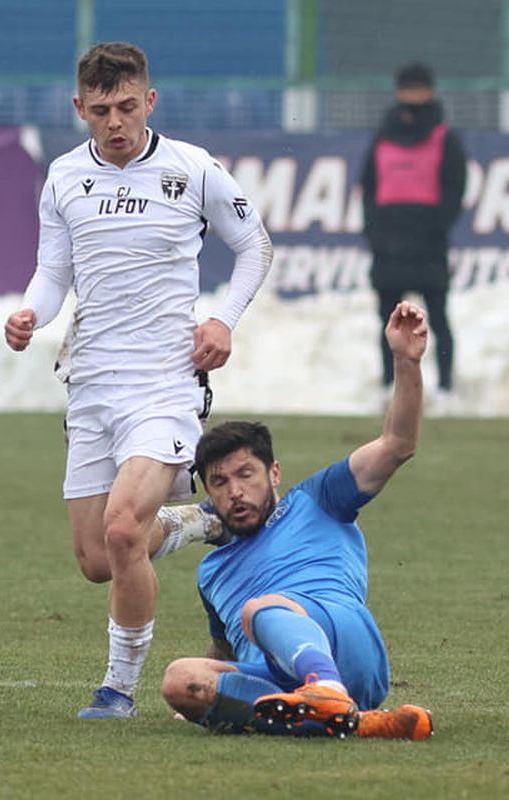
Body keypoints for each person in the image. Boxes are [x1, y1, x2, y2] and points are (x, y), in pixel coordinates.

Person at [3, 42, 272, 719]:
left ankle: (117, 688)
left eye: (127, 106)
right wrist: (32, 311)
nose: (116, 121)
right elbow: (54, 271)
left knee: (124, 531)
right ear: (80, 109)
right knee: (98, 558)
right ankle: (193, 520)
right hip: (91, 381)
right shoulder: (65, 177)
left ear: (150, 101)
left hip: (164, 383)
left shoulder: (192, 168)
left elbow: (255, 246)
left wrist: (223, 320)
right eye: (101, 111)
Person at [160, 301, 434, 740]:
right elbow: (225, 649)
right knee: (178, 678)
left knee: (261, 608)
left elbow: (397, 444)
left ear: (274, 473)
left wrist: (405, 360)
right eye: (219, 482)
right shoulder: (210, 572)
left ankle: (325, 685)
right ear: (208, 493)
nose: (235, 491)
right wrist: (204, 695)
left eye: (246, 475)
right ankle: (357, 722)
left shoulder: (319, 499)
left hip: (346, 643)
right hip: (277, 679)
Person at [360, 62, 468, 400]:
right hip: (389, 246)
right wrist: (375, 233)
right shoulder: (383, 137)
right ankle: (387, 385)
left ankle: (447, 387)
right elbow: (368, 186)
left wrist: (437, 227)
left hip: (428, 246)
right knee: (388, 321)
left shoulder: (444, 137)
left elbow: (455, 187)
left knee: (438, 317)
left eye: (418, 88)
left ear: (431, 91)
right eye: (407, 88)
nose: (413, 96)